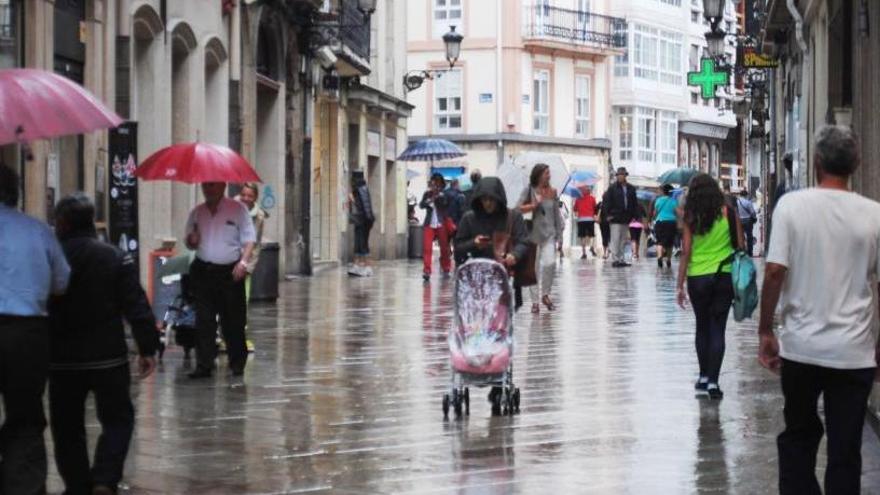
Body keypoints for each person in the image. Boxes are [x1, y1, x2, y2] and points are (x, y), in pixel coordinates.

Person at [757, 126, 880, 495]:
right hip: (853, 353)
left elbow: (776, 270)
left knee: (798, 437)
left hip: (802, 349)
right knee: (846, 449)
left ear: (816, 162)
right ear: (855, 165)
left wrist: (765, 330)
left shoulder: (792, 207)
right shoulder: (874, 214)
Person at [49, 193, 159, 495]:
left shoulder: (52, 256)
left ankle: (77, 484)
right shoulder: (114, 256)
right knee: (118, 419)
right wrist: (148, 347)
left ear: (61, 223)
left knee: (67, 426)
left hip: (62, 358)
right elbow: (135, 304)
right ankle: (104, 478)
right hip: (107, 356)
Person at [0, 163, 70, 494]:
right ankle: (23, 485)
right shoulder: (37, 230)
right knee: (25, 413)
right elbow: (61, 281)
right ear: (15, 193)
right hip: (26, 334)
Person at [454, 177, 529, 410]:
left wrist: (514, 255)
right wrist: (473, 244)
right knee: (474, 330)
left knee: (500, 330)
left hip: (504, 285)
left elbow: (524, 241)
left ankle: (499, 382)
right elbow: (457, 247)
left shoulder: (512, 218)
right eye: (484, 200)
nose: (487, 204)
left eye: (491, 200)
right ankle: (471, 366)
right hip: (474, 289)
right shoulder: (469, 219)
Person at [676, 173, 743, 400]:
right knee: (718, 328)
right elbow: (741, 245)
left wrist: (679, 285)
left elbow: (686, 251)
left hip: (698, 277)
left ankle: (703, 376)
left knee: (702, 326)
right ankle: (714, 382)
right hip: (723, 275)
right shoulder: (728, 213)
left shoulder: (691, 216)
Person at [185, 182, 256, 379]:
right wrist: (192, 240)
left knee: (233, 320)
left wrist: (243, 262)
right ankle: (204, 364)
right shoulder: (197, 213)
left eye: (213, 185)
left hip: (229, 272)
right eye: (205, 186)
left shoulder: (237, 210)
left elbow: (250, 239)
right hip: (203, 271)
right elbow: (189, 243)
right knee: (204, 320)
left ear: (223, 186)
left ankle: (237, 363)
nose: (208, 189)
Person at [517, 164, 563, 314]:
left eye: (549, 173)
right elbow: (517, 208)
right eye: (546, 173)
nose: (549, 176)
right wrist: (532, 205)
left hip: (549, 234)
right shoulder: (529, 190)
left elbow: (556, 214)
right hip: (533, 235)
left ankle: (545, 294)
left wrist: (559, 235)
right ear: (538, 175)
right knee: (534, 270)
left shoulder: (552, 192)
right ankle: (535, 301)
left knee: (550, 264)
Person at [602, 167, 639, 267]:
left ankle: (621, 258)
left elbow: (634, 203)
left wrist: (635, 215)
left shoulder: (631, 188)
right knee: (615, 238)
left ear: (625, 176)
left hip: (626, 217)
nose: (620, 176)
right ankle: (615, 259)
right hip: (615, 217)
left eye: (622, 174)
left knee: (623, 239)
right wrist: (608, 215)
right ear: (617, 176)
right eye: (619, 175)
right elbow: (606, 202)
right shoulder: (612, 188)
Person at [235, 183, 268, 297]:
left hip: (245, 261)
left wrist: (248, 267)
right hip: (229, 258)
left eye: (250, 196)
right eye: (243, 195)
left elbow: (256, 243)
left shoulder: (259, 216)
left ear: (255, 197)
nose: (246, 198)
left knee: (243, 297)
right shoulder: (231, 207)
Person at [420, 173, 452, 281]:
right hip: (429, 224)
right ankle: (427, 271)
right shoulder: (427, 194)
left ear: (441, 184)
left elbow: (446, 205)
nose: (435, 185)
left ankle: (446, 268)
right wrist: (430, 199)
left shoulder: (445, 194)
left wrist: (439, 197)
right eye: (434, 183)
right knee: (427, 248)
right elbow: (421, 205)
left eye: (438, 183)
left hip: (441, 224)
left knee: (444, 248)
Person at [348, 173, 375, 276]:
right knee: (358, 244)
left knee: (363, 244)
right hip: (361, 220)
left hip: (363, 221)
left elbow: (362, 206)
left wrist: (352, 199)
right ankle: (356, 265)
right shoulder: (361, 188)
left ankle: (368, 267)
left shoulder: (360, 189)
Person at [653, 184, 679, 269]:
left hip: (660, 221)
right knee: (670, 242)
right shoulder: (674, 201)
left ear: (663, 191)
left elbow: (655, 212)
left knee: (659, 241)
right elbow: (677, 212)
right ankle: (668, 259)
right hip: (671, 222)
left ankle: (659, 256)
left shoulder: (658, 200)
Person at [573, 186, 597, 259]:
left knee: (582, 236)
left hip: (581, 219)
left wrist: (577, 212)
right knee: (592, 235)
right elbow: (595, 208)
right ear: (589, 191)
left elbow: (574, 209)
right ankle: (592, 246)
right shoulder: (592, 198)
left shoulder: (578, 199)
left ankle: (584, 253)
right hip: (590, 219)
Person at [736, 189, 757, 257]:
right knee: (749, 237)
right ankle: (750, 253)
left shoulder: (736, 202)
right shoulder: (748, 202)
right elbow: (753, 213)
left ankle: (741, 252)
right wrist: (754, 217)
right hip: (748, 221)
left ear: (740, 195)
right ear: (746, 195)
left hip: (739, 221)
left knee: (740, 236)